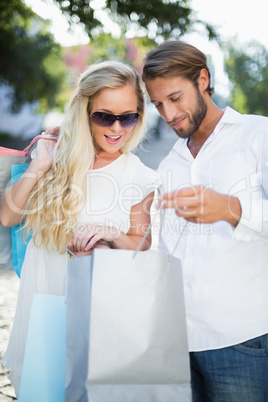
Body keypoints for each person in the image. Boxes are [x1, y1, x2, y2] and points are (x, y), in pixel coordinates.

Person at [0, 60, 161, 397]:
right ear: (83, 110)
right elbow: (7, 217)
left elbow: (142, 244)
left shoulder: (139, 175)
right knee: (44, 389)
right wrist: (41, 166)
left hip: (99, 313)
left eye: (128, 117)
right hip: (44, 302)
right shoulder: (52, 158)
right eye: (105, 116)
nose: (117, 128)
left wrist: (111, 234)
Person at [142, 40, 268, 401]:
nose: (167, 114)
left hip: (242, 341)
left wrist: (230, 209)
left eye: (175, 98)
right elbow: (165, 252)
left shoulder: (259, 136)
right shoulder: (170, 163)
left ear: (202, 79)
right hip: (178, 345)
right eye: (158, 104)